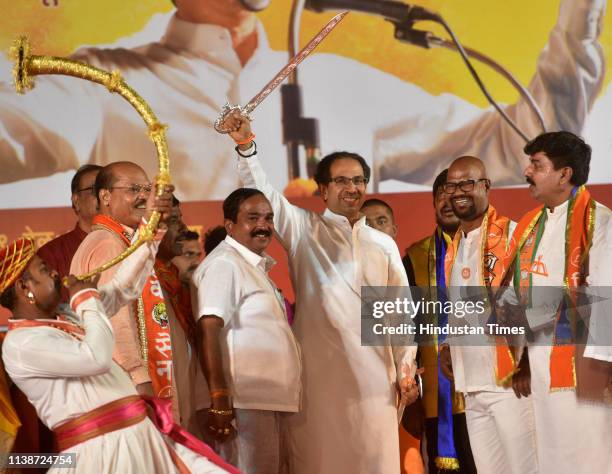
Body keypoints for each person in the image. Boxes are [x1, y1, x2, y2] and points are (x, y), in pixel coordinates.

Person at [0, 0, 606, 206]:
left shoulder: (338, 81)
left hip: (332, 344)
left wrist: (580, 19)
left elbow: (522, 149)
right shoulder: (101, 81)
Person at [219, 111, 419, 474]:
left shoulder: (381, 245)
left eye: (359, 180)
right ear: (323, 190)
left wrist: (406, 369)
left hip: (376, 381)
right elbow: (267, 196)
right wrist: (247, 147)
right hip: (317, 381)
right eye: (341, 181)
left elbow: (399, 314)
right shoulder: (304, 230)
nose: (352, 188)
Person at [0, 238, 237, 473]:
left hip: (139, 435)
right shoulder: (21, 343)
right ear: (24, 287)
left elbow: (122, 289)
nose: (54, 273)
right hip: (102, 452)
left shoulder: (64, 320)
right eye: (44, 269)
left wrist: (151, 235)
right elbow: (96, 358)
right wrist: (86, 300)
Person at [503, 131, 612, 473]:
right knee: (552, 458)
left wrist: (604, 370)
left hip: (585, 368)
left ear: (564, 174)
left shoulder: (599, 221)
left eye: (536, 164)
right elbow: (513, 295)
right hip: (539, 364)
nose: (527, 172)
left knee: (589, 457)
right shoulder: (530, 225)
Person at [439, 156, 537, 473]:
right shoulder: (455, 245)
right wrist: (446, 346)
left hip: (510, 385)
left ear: (486, 185)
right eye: (451, 185)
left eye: (467, 183)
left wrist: (526, 363)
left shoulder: (512, 235)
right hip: (473, 387)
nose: (458, 192)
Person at [193, 188, 301, 473]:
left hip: (264, 400)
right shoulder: (224, 263)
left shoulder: (251, 265)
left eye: (268, 217)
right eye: (252, 218)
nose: (263, 225)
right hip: (241, 402)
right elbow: (208, 327)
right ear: (230, 225)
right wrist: (218, 397)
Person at [70, 162, 176, 405]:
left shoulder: (120, 239)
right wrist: (138, 378)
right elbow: (114, 318)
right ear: (105, 196)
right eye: (133, 189)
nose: (143, 196)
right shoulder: (108, 242)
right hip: (125, 384)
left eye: (147, 189)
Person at [403, 170, 476, 474]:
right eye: (441, 194)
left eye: (455, 193)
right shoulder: (414, 258)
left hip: (484, 389)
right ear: (433, 201)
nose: (447, 201)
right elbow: (401, 329)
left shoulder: (491, 249)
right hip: (436, 397)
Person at [361, 197, 424, 474]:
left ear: (395, 229)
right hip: (373, 394)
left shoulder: (416, 269)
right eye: (367, 223)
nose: (374, 229)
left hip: (421, 388)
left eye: (381, 221)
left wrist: (411, 378)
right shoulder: (349, 279)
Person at [154, 197, 207, 436]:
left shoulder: (175, 281)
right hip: (159, 411)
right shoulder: (143, 282)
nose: (184, 228)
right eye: (174, 220)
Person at [37, 164, 102, 302]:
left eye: (109, 189)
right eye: (95, 189)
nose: (104, 195)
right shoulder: (51, 254)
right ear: (76, 201)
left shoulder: (133, 243)